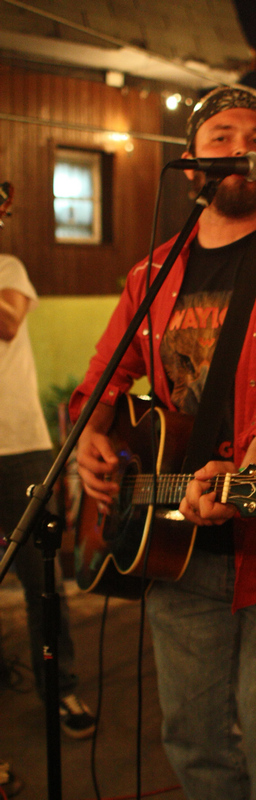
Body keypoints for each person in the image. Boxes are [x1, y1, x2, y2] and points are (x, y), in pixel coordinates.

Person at [70, 86, 256, 800]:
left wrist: (251, 463)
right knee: (193, 743)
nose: (240, 148)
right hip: (177, 545)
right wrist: (89, 436)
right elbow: (106, 375)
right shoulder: (153, 272)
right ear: (191, 159)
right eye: (221, 135)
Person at [0, 240, 96, 739]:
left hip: (20, 447)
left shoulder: (8, 267)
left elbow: (8, 323)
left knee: (43, 581)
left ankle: (61, 688)